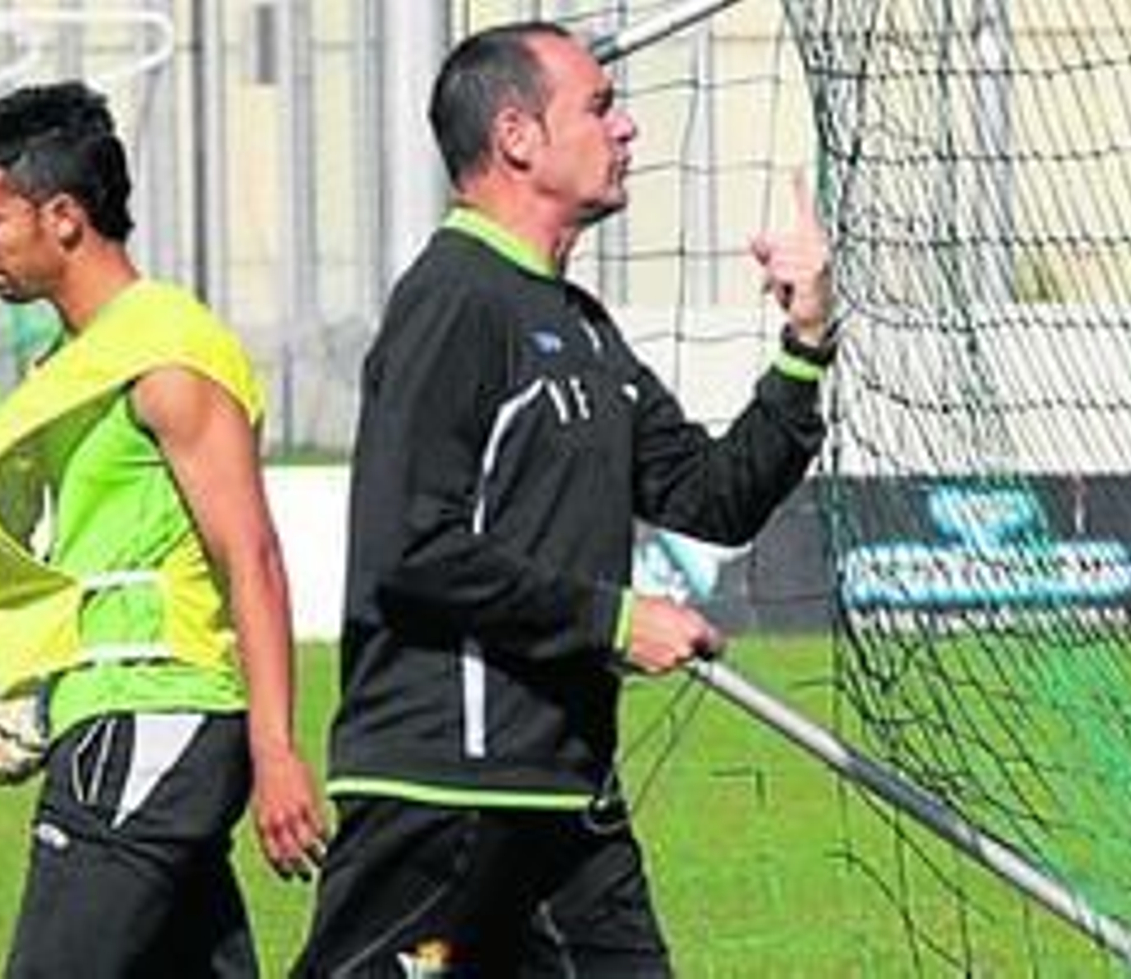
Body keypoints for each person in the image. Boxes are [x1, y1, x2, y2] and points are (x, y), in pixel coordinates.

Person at [295, 21, 834, 978]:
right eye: (599, 107)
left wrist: (804, 345)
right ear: (517, 137)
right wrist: (613, 619)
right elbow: (411, 549)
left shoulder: (582, 325)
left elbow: (712, 497)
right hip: (447, 794)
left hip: (566, 796)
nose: (626, 128)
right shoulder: (453, 301)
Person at [0, 82, 328, 977]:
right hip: (118, 712)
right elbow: (79, 591)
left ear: (64, 217)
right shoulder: (76, 362)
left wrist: (276, 749)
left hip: (154, 712)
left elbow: (254, 556)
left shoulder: (167, 354)